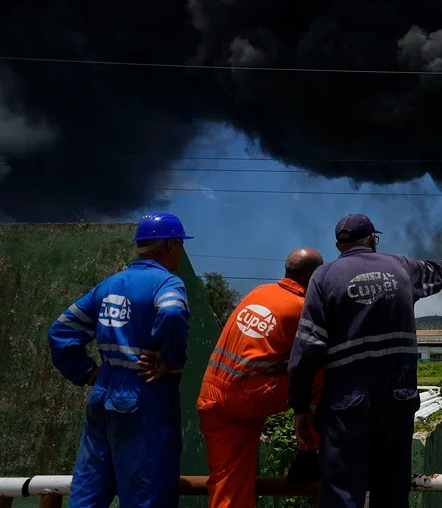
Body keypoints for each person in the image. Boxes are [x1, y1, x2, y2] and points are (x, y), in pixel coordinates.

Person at [287, 213, 442, 508]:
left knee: (342, 489)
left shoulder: (324, 277)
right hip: (398, 394)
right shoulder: (402, 267)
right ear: (372, 240)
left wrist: (300, 406)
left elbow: (308, 348)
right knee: (392, 486)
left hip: (347, 398)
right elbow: (437, 272)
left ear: (338, 245)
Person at [47, 212, 193, 508]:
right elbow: (171, 312)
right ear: (172, 245)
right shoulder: (167, 283)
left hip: (103, 393)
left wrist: (88, 372)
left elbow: (61, 330)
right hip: (144, 394)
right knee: (146, 494)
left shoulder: (109, 285)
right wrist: (170, 360)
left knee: (89, 491)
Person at [196, 247, 325, 508]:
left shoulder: (258, 293)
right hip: (248, 395)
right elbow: (308, 363)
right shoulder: (302, 308)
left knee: (228, 483)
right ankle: (309, 452)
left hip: (212, 394)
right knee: (323, 371)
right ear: (315, 277)